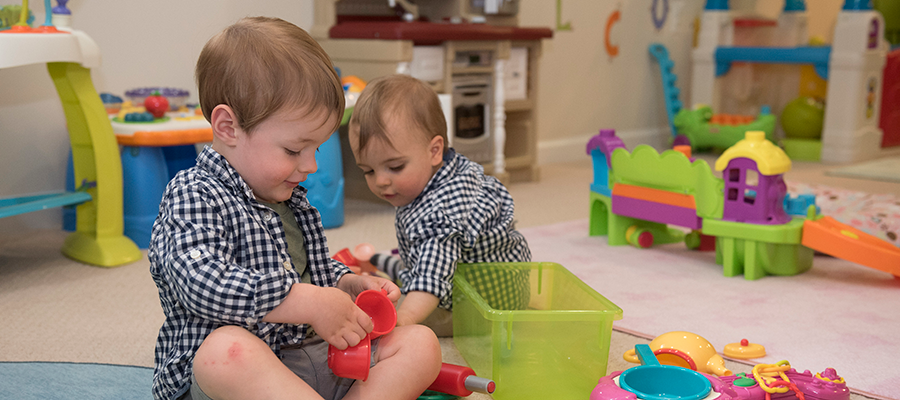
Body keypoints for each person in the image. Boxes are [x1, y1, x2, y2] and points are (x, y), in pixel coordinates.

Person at [149, 18, 441, 400]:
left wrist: (344, 284)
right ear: (228, 127)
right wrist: (308, 301)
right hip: (243, 378)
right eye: (293, 150)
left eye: (316, 148)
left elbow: (303, 270)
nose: (310, 166)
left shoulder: (289, 198)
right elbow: (202, 284)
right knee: (226, 352)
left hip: (314, 358)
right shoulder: (193, 194)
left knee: (420, 343)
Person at [347, 74, 532, 337]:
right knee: (405, 278)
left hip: (483, 306)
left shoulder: (440, 213)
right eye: (367, 170)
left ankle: (390, 270)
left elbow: (432, 278)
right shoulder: (449, 170)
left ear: (434, 151)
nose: (380, 181)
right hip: (491, 282)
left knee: (401, 315)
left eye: (395, 166)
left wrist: (405, 319)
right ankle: (383, 262)